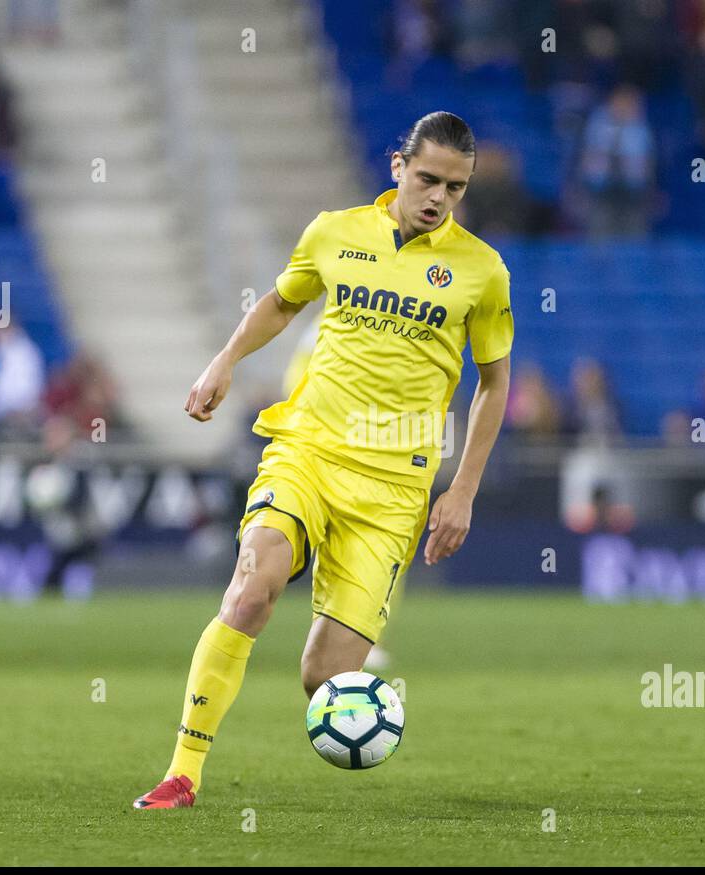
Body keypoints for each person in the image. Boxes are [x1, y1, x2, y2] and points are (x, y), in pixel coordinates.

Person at [134, 112, 514, 809]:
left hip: (394, 487)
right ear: (398, 165)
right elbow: (283, 303)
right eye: (428, 178)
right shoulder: (334, 231)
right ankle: (181, 773)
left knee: (326, 680)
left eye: (455, 188)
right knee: (253, 589)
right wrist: (224, 361)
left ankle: (353, 701)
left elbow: (494, 383)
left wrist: (461, 491)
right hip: (307, 449)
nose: (438, 197)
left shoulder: (482, 272)